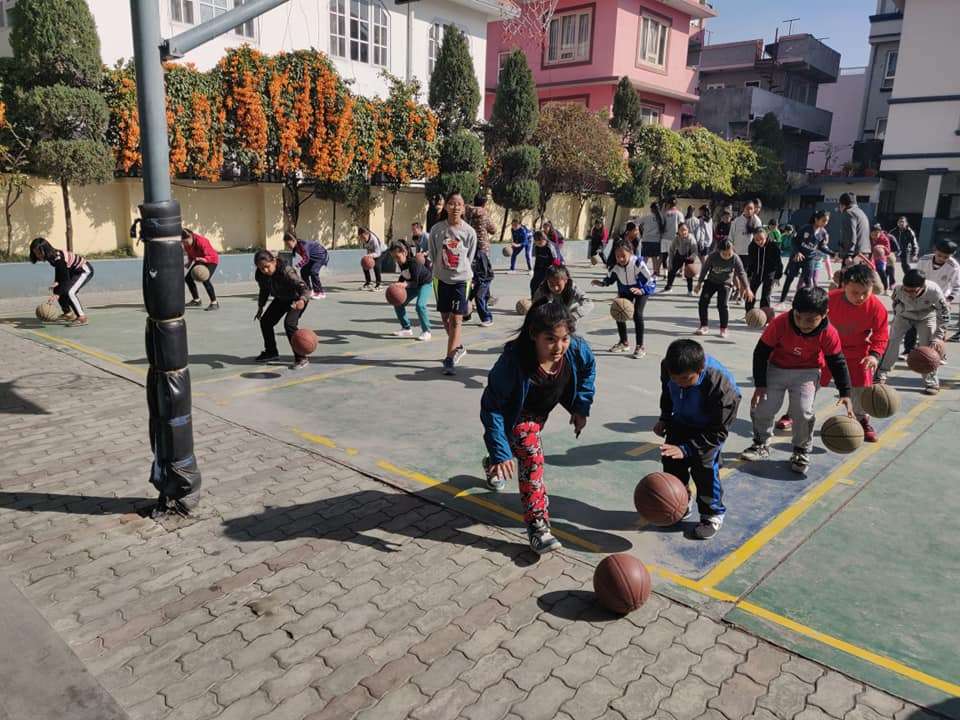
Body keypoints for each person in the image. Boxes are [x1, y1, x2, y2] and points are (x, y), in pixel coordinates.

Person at [480, 299, 596, 553]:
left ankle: (493, 462)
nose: (559, 347)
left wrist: (580, 407)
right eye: (550, 340)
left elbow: (588, 368)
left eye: (564, 339)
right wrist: (500, 448)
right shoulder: (513, 362)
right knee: (532, 459)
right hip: (515, 417)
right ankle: (538, 527)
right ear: (534, 334)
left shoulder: (576, 350)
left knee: (512, 451)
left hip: (540, 415)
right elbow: (492, 406)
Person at [741, 287, 854, 475]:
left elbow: (837, 361)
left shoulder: (829, 333)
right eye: (798, 317)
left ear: (825, 314)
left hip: (807, 372)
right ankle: (760, 443)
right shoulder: (780, 323)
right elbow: (761, 352)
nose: (803, 323)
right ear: (793, 310)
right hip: (776, 368)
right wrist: (760, 384)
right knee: (764, 407)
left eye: (810, 320)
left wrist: (846, 392)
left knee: (802, 411)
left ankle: (801, 450)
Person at [654, 339, 741, 540]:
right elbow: (667, 391)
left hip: (709, 428)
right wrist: (665, 417)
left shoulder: (722, 387)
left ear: (700, 370)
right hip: (682, 420)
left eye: (685, 378)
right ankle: (680, 502)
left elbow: (718, 433)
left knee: (704, 467)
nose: (679, 382)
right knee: (671, 461)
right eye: (675, 378)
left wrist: (686, 449)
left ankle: (712, 514)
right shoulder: (669, 366)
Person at [821, 264, 889, 443]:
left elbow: (881, 334)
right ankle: (794, 414)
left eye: (865, 292)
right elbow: (812, 321)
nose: (860, 297)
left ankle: (861, 419)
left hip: (857, 350)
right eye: (855, 292)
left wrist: (874, 355)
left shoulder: (876, 307)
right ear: (844, 286)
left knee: (861, 387)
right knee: (808, 382)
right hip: (827, 349)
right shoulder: (828, 300)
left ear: (872, 288)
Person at [428, 191, 478, 375]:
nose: (455, 207)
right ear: (446, 206)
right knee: (445, 318)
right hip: (441, 279)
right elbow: (433, 254)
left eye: (459, 204)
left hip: (461, 281)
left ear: (463, 208)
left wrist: (461, 272)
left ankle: (449, 359)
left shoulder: (469, 232)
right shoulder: (437, 229)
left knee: (456, 320)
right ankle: (458, 347)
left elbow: (469, 257)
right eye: (452, 203)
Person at [878, 269, 949, 395]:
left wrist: (938, 337)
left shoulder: (934, 291)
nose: (909, 293)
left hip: (926, 316)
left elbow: (944, 315)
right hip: (904, 315)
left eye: (913, 291)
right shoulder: (898, 290)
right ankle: (881, 374)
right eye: (906, 290)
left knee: (929, 347)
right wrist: (897, 317)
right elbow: (895, 303)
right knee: (892, 341)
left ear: (923, 286)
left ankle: (931, 381)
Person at [592, 238, 656, 358]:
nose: (620, 259)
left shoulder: (637, 263)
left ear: (630, 253)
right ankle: (623, 342)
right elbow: (610, 279)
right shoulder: (614, 266)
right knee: (619, 311)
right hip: (625, 290)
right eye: (618, 256)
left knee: (637, 314)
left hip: (641, 290)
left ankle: (640, 346)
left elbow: (651, 281)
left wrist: (642, 290)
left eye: (623, 256)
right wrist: (601, 283)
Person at [253, 249, 311, 369]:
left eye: (267, 267)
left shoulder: (286, 271)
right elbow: (264, 290)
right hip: (281, 298)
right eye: (261, 268)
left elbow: (304, 288)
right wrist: (260, 307)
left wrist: (302, 300)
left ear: (274, 261)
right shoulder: (260, 275)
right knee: (265, 322)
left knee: (289, 324)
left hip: (297, 299)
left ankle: (301, 357)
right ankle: (271, 352)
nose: (265, 270)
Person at [29, 237, 94, 326]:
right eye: (35, 253)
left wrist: (57, 294)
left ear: (45, 249)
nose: (38, 255)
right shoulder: (51, 257)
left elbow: (65, 279)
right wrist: (56, 282)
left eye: (39, 253)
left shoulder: (58, 257)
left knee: (69, 292)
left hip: (83, 270)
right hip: (72, 272)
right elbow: (60, 270)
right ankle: (68, 314)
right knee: (57, 289)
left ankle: (82, 318)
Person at [695, 238, 751, 337]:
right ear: (719, 250)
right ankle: (704, 326)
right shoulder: (713, 256)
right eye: (724, 254)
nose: (727, 256)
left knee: (722, 305)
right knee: (703, 302)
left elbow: (741, 273)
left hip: (725, 283)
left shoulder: (735, 258)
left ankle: (723, 328)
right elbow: (705, 269)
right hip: (711, 281)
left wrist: (747, 288)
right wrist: (699, 283)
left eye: (729, 253)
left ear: (733, 249)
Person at [780, 211, 830, 303]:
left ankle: (807, 303)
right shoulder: (805, 228)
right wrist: (797, 252)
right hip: (797, 257)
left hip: (809, 259)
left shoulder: (823, 233)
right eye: (824, 220)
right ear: (816, 220)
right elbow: (794, 241)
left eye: (827, 221)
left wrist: (833, 253)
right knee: (789, 279)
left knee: (808, 282)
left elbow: (821, 247)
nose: (825, 223)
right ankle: (781, 301)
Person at [916, 239, 960, 341]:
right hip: (924, 294)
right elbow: (917, 277)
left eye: (946, 257)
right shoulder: (924, 260)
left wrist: (949, 299)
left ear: (952, 255)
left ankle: (940, 341)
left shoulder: (954, 266)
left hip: (943, 296)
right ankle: (922, 340)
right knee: (921, 321)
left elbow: (957, 286)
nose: (941, 259)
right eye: (939, 255)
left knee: (943, 322)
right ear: (935, 250)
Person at [389, 241, 432, 341]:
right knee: (398, 304)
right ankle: (406, 328)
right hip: (414, 284)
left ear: (404, 252)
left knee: (420, 306)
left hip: (425, 283)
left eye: (397, 257)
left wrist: (403, 284)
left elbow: (415, 282)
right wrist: (397, 284)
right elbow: (404, 274)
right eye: (393, 258)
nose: (396, 260)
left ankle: (426, 331)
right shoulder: (401, 263)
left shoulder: (413, 263)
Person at [744, 228, 783, 312]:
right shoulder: (752, 246)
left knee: (765, 295)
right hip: (756, 273)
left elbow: (779, 263)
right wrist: (749, 274)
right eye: (756, 240)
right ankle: (749, 313)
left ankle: (765, 314)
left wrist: (777, 276)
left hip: (769, 273)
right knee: (751, 293)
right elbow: (750, 262)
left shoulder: (774, 246)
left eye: (762, 239)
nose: (759, 242)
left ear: (766, 236)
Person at [181, 228, 220, 310]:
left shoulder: (202, 241)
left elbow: (211, 255)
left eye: (186, 242)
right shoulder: (186, 243)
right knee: (188, 278)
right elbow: (190, 254)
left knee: (205, 278)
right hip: (200, 260)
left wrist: (204, 259)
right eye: (183, 242)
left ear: (190, 236)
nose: (185, 244)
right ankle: (196, 300)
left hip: (211, 260)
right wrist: (189, 262)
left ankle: (214, 303)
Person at [283, 231, 329, 300]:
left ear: (293, 240)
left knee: (313, 272)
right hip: (312, 259)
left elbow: (306, 258)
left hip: (321, 256)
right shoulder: (296, 246)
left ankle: (320, 292)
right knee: (303, 271)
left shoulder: (304, 245)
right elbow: (306, 258)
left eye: (288, 244)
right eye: (286, 244)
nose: (287, 246)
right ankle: (309, 290)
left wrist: (297, 266)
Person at [663, 221, 699, 295]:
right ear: (678, 231)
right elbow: (671, 250)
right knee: (671, 270)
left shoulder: (691, 238)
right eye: (681, 230)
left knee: (689, 273)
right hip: (679, 255)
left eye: (685, 230)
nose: (683, 232)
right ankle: (668, 287)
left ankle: (690, 290)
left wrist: (692, 257)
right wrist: (670, 262)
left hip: (689, 256)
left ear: (688, 230)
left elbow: (695, 251)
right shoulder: (676, 238)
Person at [837, 193, 872, 265]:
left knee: (848, 272)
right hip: (864, 253)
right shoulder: (861, 212)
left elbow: (850, 236)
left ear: (842, 205)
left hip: (854, 255)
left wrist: (848, 255)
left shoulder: (849, 213)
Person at [469, 240, 495, 327]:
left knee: (479, 297)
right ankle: (466, 315)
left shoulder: (480, 255)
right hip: (477, 279)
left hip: (485, 279)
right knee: (468, 296)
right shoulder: (468, 254)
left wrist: (476, 282)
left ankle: (487, 319)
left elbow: (484, 271)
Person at [530, 230, 561, 297]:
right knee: (533, 284)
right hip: (539, 267)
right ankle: (534, 299)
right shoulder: (536, 246)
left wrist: (554, 271)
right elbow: (536, 258)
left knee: (547, 286)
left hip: (550, 268)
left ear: (545, 239)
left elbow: (556, 260)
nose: (539, 244)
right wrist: (535, 270)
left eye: (540, 242)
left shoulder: (550, 246)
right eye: (537, 242)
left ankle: (549, 299)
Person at [660, 197, 684, 279]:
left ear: (668, 204)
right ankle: (672, 272)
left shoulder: (664, 213)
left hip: (664, 237)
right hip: (675, 238)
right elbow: (682, 226)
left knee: (664, 256)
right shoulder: (679, 214)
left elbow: (661, 225)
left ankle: (665, 273)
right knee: (674, 256)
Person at [640, 202, 665, 274]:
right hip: (656, 241)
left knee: (645, 258)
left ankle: (642, 272)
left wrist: (642, 232)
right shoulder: (661, 217)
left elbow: (638, 224)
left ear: (651, 209)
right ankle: (655, 273)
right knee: (654, 258)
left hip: (646, 239)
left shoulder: (647, 217)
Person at [358, 226, 386, 291]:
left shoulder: (374, 239)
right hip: (373, 252)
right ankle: (368, 283)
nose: (362, 239)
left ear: (367, 234)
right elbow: (369, 249)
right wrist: (367, 257)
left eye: (363, 237)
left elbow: (378, 253)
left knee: (376, 266)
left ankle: (379, 285)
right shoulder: (364, 239)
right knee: (365, 264)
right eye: (360, 237)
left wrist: (369, 255)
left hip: (382, 251)